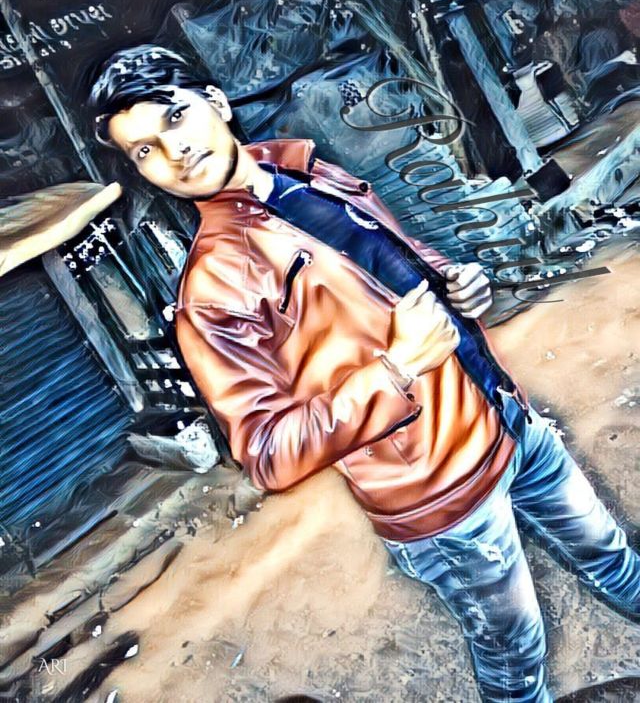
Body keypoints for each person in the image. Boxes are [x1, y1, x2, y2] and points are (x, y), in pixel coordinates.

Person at [89, 44, 640, 703]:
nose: (174, 151)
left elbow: (386, 259)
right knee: (515, 652)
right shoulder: (214, 291)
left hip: (505, 415)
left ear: (216, 102)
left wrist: (454, 282)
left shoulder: (304, 171)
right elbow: (268, 452)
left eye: (175, 117)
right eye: (145, 150)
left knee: (614, 558)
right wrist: (397, 366)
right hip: (439, 491)